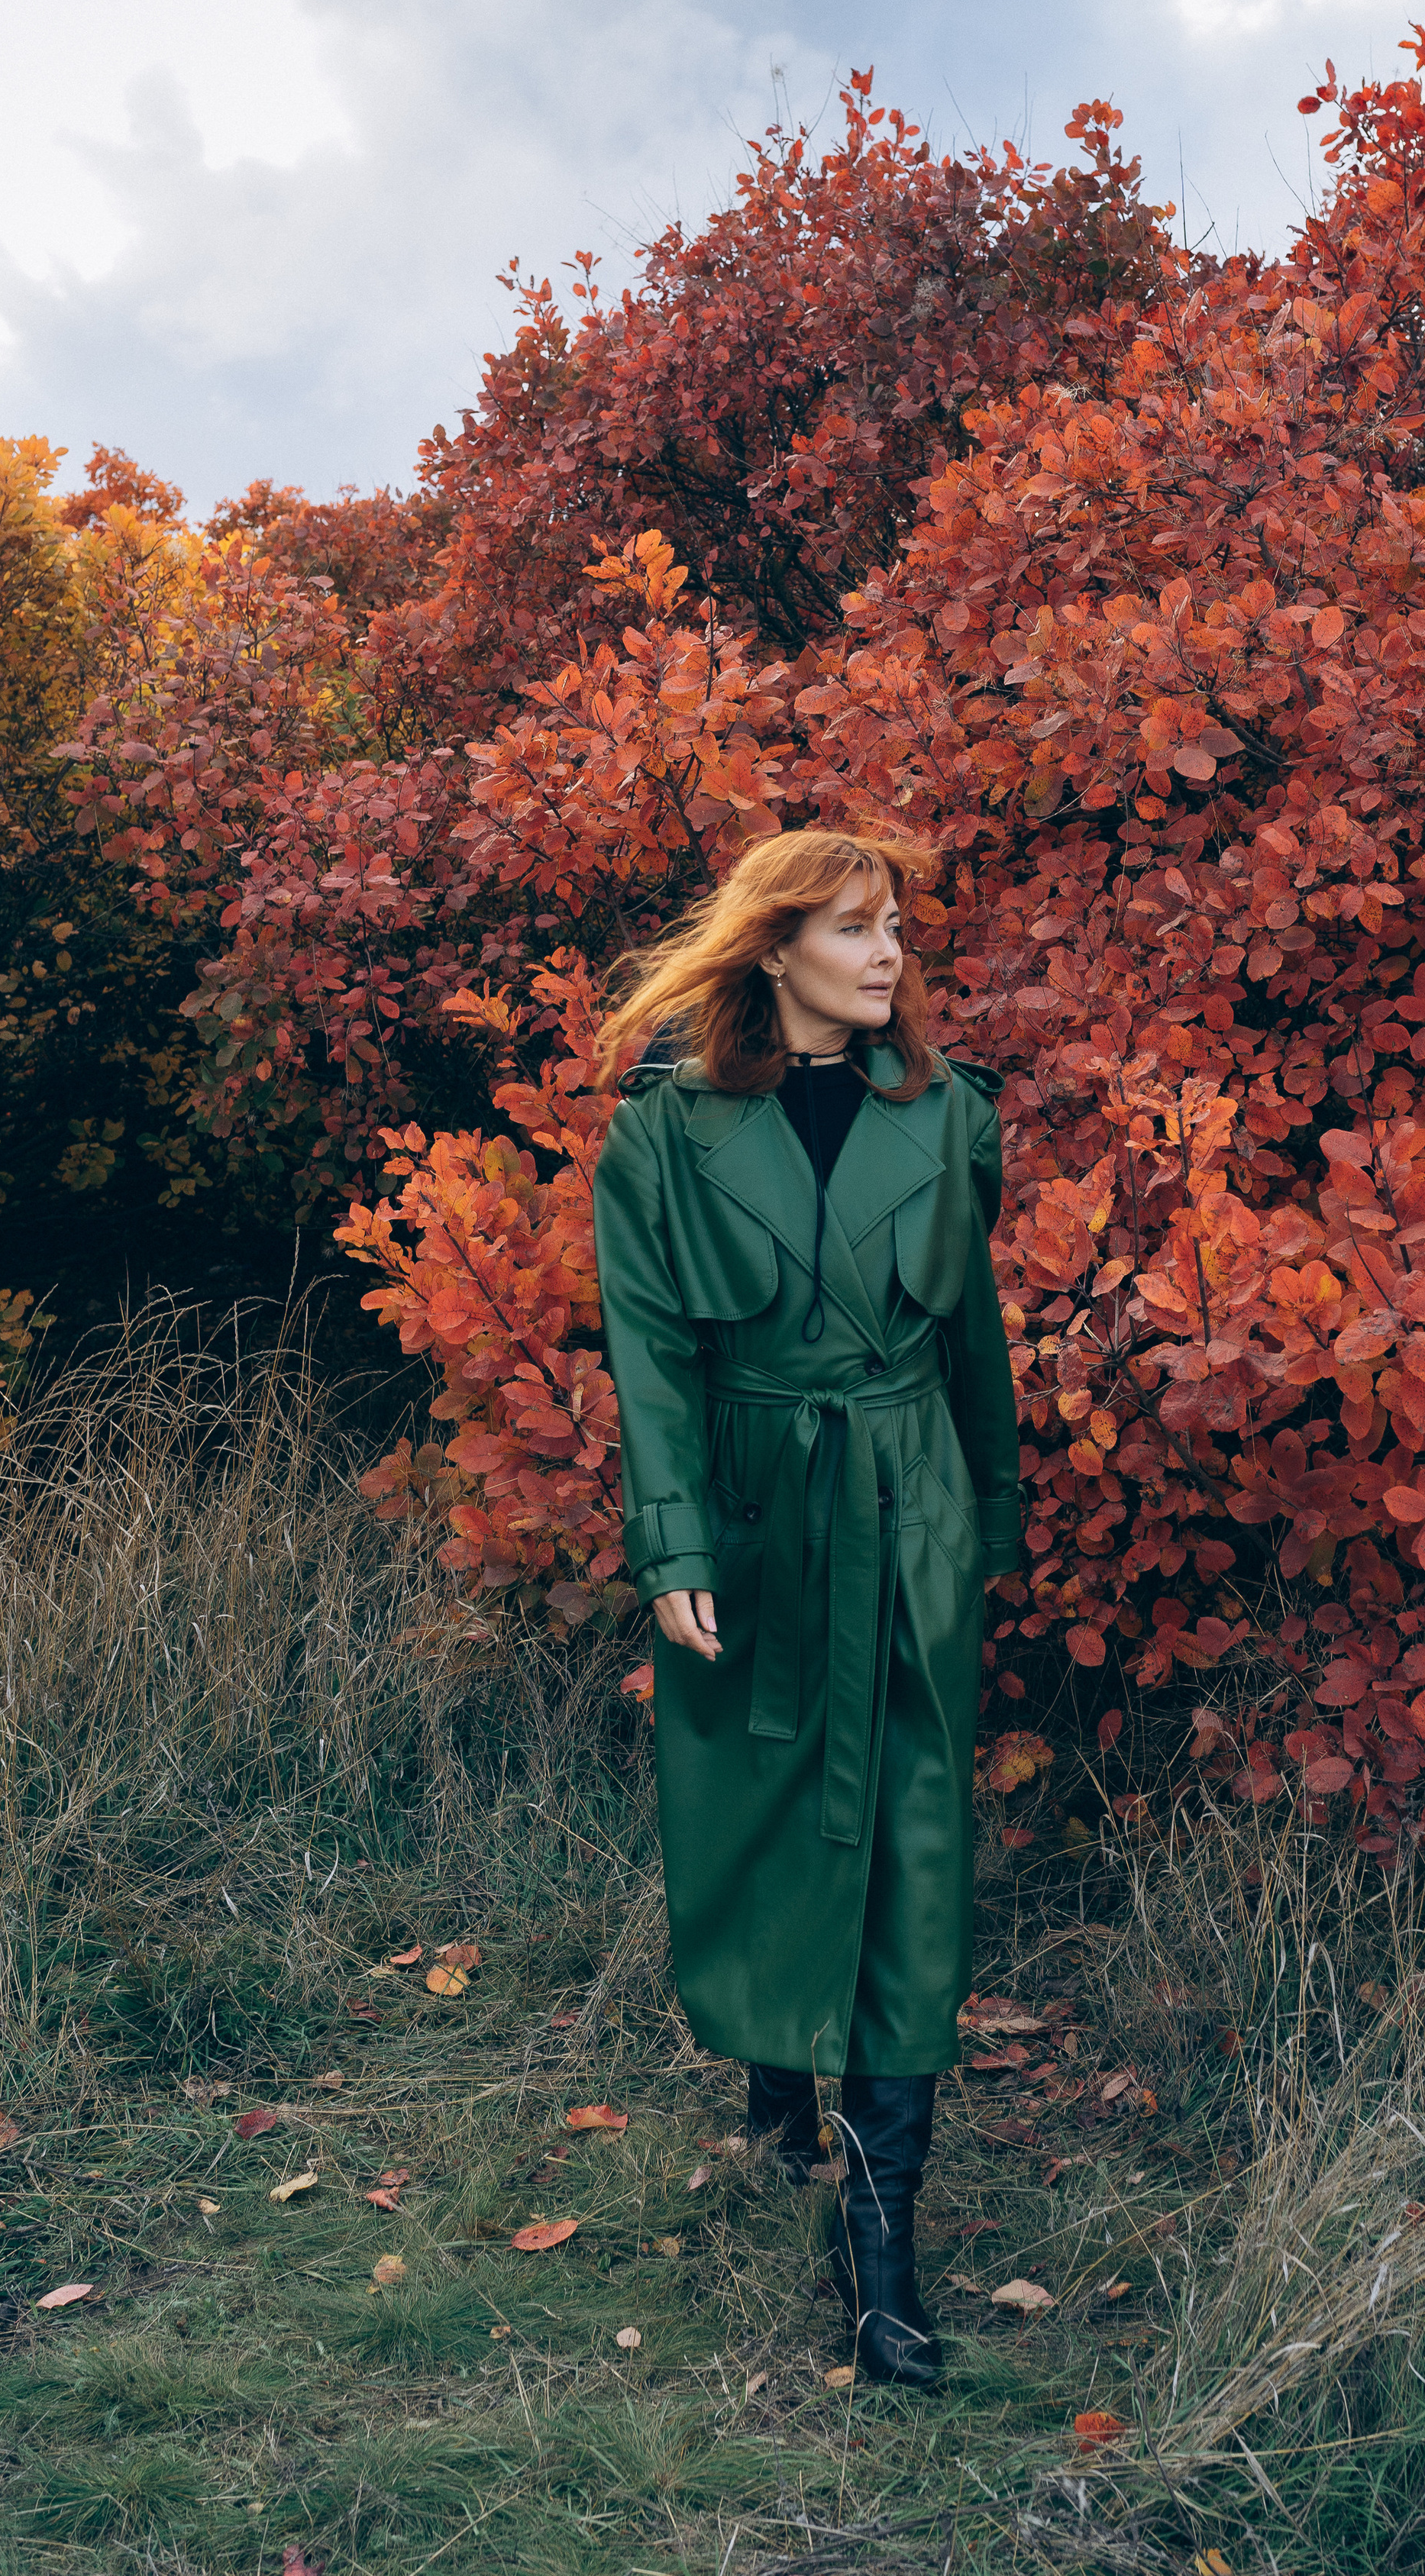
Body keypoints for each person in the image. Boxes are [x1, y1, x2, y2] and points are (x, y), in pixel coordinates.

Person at [590, 829, 1022, 2387]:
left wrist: (988, 1522)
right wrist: (673, 1548)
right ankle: (778, 2074)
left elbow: (972, 1337)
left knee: (915, 1848)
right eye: (853, 928)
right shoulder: (664, 1132)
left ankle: (881, 2243)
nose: (888, 952)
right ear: (773, 948)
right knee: (759, 1809)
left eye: (895, 926)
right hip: (755, 1507)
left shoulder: (950, 1116)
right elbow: (651, 1354)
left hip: (911, 1515)